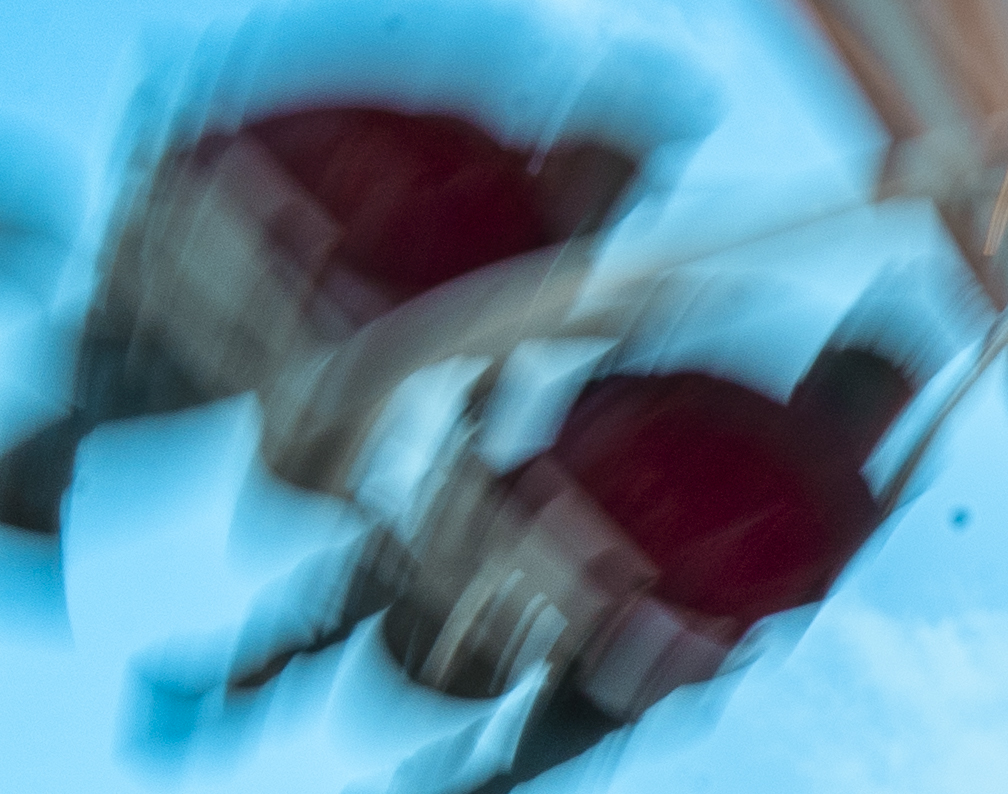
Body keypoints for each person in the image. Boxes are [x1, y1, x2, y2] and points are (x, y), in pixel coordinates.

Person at [250, 328, 927, 794]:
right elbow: (790, 597)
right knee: (586, 730)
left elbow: (592, 409)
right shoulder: (845, 510)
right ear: (882, 426)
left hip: (543, 546)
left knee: (452, 528)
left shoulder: (710, 389)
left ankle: (305, 642)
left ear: (814, 374)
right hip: (639, 631)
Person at [2, 88, 656, 548]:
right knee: (219, 374)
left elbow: (482, 368)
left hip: (210, 215)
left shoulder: (503, 207)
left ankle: (43, 452)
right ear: (565, 159)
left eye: (615, 200)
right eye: (602, 191)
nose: (600, 214)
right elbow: (476, 355)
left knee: (188, 373)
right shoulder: (502, 211)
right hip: (235, 239)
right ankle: (38, 458)